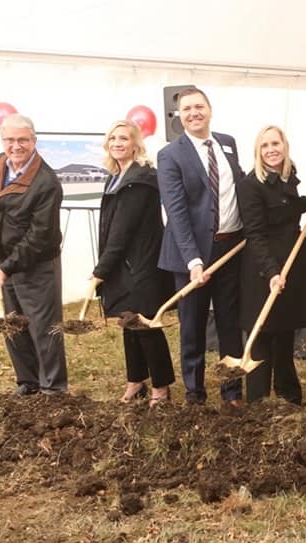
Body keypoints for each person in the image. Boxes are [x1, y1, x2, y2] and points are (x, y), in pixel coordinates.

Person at [157, 87, 245, 406]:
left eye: (199, 106)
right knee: (192, 325)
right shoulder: (170, 154)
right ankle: (195, 394)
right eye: (187, 109)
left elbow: (240, 185)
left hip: (230, 248)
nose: (194, 113)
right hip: (190, 255)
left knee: (230, 323)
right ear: (178, 115)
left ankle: (232, 391)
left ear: (210, 109)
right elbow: (176, 211)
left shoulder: (227, 143)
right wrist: (193, 260)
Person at [0, 113, 68, 396]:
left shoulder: (46, 182)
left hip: (37, 264)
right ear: (1, 140)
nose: (15, 146)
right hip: (8, 262)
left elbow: (39, 236)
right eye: (9, 139)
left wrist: (7, 266)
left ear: (34, 141)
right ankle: (27, 382)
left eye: (22, 140)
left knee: (44, 329)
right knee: (14, 327)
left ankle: (53, 389)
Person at [92, 120, 175, 407]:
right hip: (125, 266)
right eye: (113, 138)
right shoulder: (116, 176)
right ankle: (136, 380)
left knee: (147, 326)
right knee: (129, 324)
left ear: (135, 143)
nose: (117, 143)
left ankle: (161, 388)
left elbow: (122, 231)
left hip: (142, 266)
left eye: (124, 138)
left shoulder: (140, 180)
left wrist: (99, 272)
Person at [236, 125, 306, 405]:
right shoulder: (250, 185)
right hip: (263, 269)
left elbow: (288, 205)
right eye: (265, 145)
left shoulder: (288, 177)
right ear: (258, 151)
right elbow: (254, 234)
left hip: (291, 264)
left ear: (285, 146)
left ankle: (288, 395)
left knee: (285, 332)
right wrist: (271, 271)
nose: (271, 150)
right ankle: (257, 401)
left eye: (275, 144)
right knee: (261, 334)